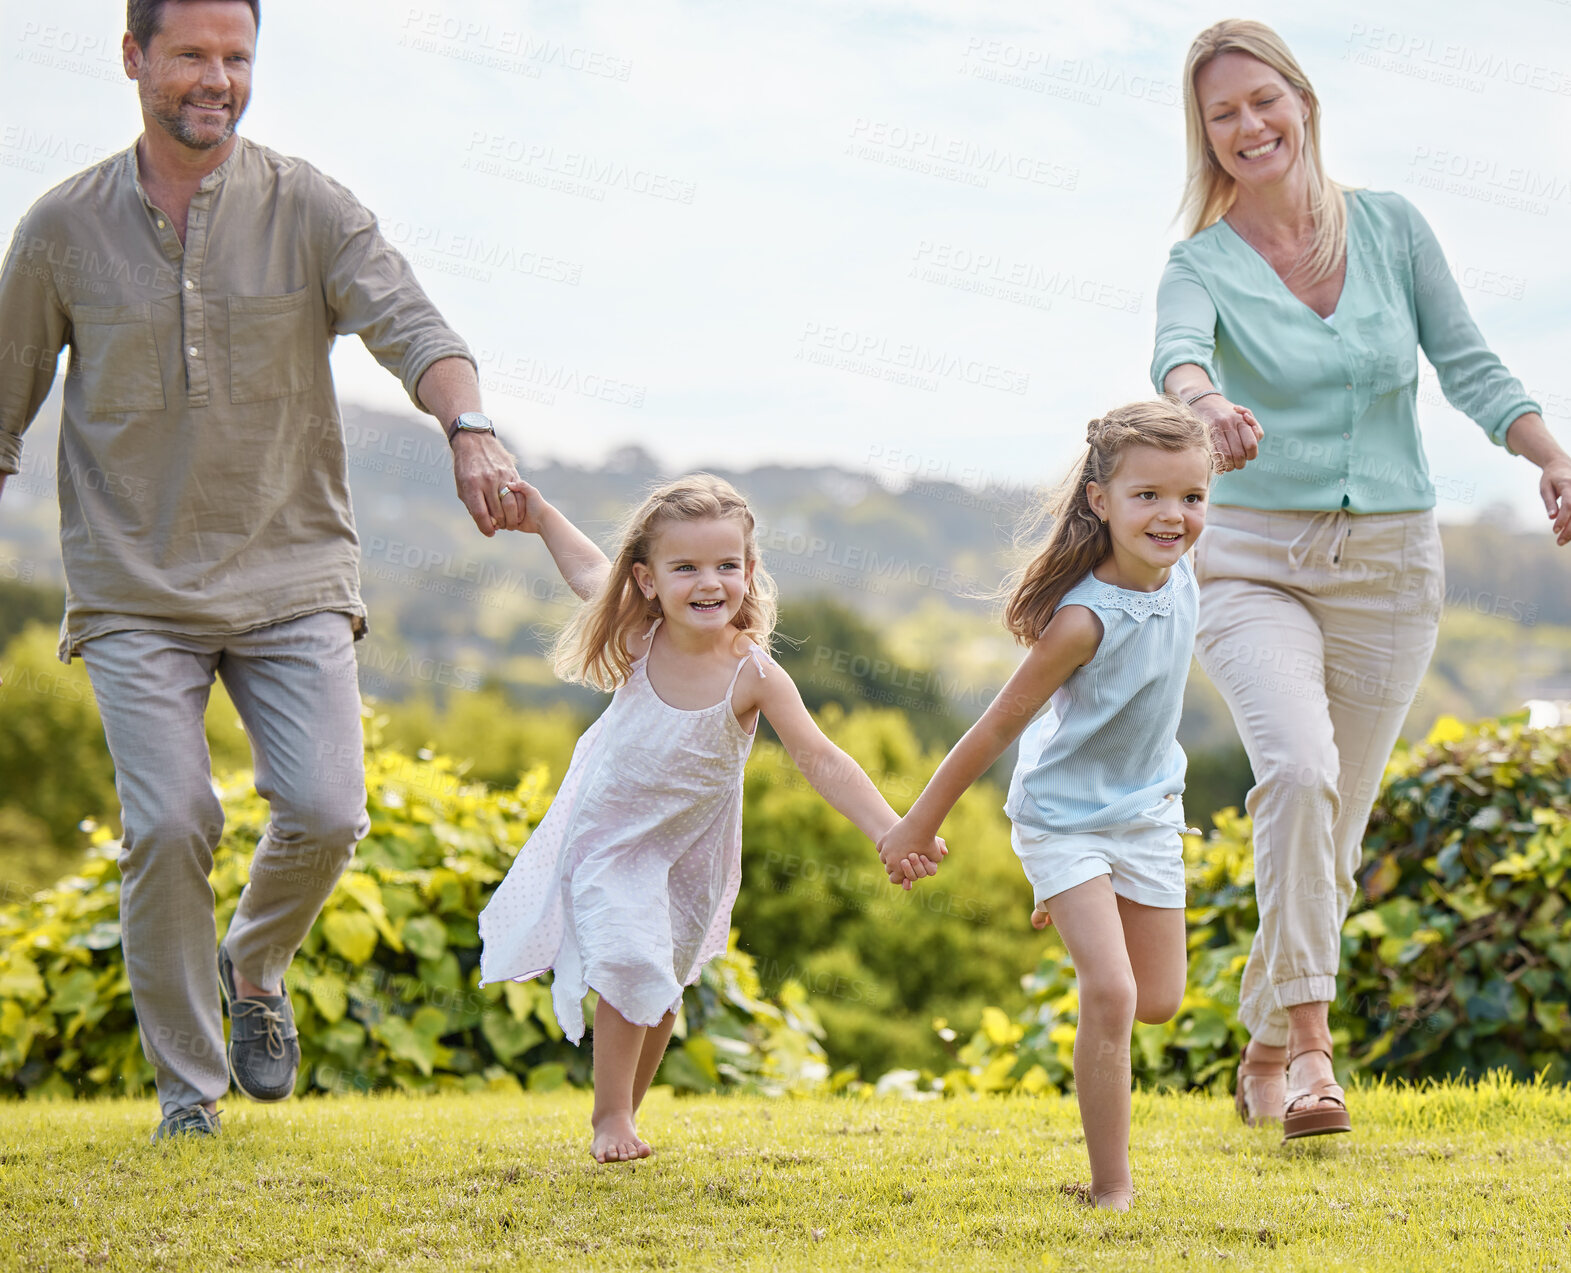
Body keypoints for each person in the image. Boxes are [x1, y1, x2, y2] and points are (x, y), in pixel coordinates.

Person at [0, 0, 529, 1142]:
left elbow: (413, 326)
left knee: (331, 809)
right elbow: (5, 399)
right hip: (134, 588)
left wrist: (469, 427)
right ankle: (189, 1097)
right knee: (172, 822)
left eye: (236, 57)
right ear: (134, 57)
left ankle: (255, 960)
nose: (217, 79)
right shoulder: (57, 230)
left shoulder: (311, 207)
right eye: (191, 54)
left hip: (291, 571)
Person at [1151, 20, 1571, 1141]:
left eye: (1259, 102)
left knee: (1331, 830)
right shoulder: (1199, 260)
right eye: (1220, 114)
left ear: (1301, 100)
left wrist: (1549, 454)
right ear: (1203, 136)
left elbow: (1469, 363)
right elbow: (1176, 353)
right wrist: (1203, 405)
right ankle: (1311, 1061)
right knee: (1293, 773)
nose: (1246, 127)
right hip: (1250, 561)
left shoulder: (1388, 228)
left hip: (1390, 565)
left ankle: (1257, 1044)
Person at [477, 474, 946, 1164]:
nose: (709, 582)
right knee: (626, 954)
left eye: (726, 565)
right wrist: (543, 515)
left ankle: (624, 1115)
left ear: (749, 573)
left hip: (691, 852)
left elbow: (820, 758)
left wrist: (888, 827)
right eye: (686, 567)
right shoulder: (640, 638)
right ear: (645, 579)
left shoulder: (752, 673)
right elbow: (586, 569)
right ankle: (608, 1116)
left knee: (662, 984)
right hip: (611, 835)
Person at [878, 401, 1212, 1211]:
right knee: (1113, 994)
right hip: (1062, 818)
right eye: (1147, 497)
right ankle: (1110, 1186)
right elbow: (995, 727)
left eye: (1191, 497)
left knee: (1159, 1001)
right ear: (1100, 499)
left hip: (1146, 813)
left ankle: (1071, 905)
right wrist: (915, 823)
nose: (1172, 515)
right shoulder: (1080, 620)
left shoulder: (1184, 573)